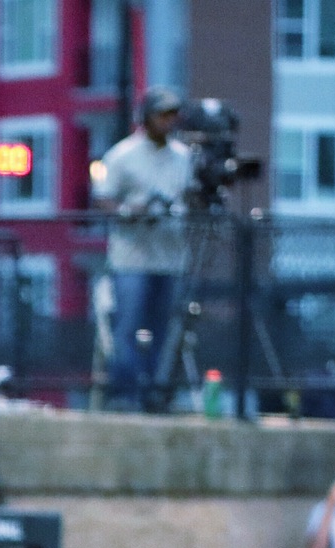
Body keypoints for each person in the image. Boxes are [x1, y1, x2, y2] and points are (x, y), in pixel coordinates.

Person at [96, 88, 194, 412]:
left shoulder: (184, 156)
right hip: (132, 258)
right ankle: (125, 395)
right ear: (146, 117)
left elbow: (194, 198)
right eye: (162, 114)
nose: (169, 121)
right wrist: (132, 210)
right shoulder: (122, 155)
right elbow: (104, 198)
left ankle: (157, 393)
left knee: (164, 330)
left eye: (172, 114)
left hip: (171, 257)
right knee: (129, 325)